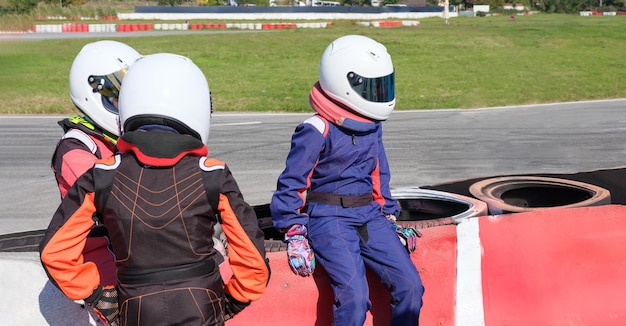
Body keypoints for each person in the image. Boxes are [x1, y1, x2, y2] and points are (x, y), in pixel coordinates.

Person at [40, 53, 270, 326]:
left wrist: (98, 297)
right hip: (202, 306)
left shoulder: (100, 175)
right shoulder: (213, 173)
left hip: (135, 310)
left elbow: (55, 252)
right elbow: (254, 264)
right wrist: (234, 300)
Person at [270, 35, 424, 325]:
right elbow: (293, 182)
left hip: (369, 215)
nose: (379, 93)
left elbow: (379, 173)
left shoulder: (373, 127)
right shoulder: (316, 128)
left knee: (410, 286)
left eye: (383, 85)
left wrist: (389, 215)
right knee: (354, 298)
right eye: (371, 86)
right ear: (344, 82)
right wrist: (294, 231)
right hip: (330, 217)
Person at [48, 40, 142, 325]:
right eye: (120, 96)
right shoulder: (76, 148)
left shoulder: (124, 140)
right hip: (101, 262)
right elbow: (121, 200)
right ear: (93, 95)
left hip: (136, 250)